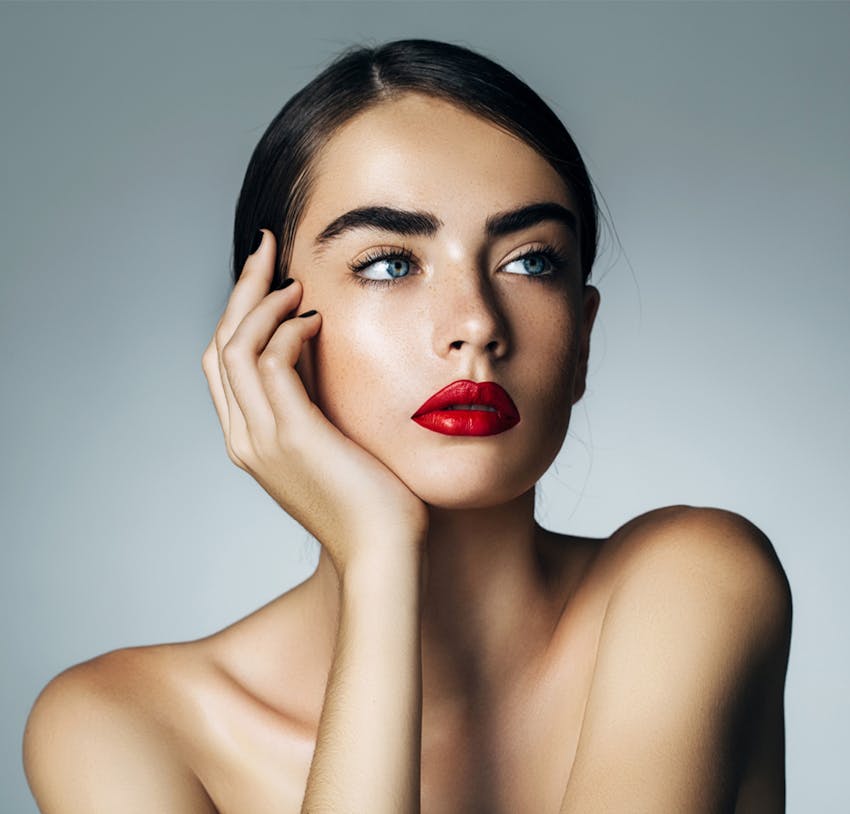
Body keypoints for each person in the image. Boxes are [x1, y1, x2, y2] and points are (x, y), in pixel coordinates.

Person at [23, 39, 792, 813]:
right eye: (390, 262)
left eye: (529, 260)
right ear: (264, 336)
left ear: (583, 339)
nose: (475, 325)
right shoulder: (123, 727)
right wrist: (380, 557)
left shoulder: (692, 583)